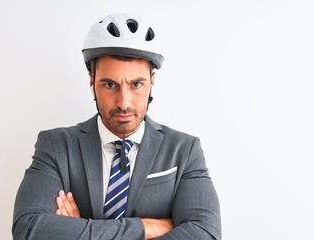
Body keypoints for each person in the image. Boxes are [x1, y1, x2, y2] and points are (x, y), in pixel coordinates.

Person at [12, 12, 221, 240]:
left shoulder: (184, 150)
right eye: (110, 84)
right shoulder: (56, 146)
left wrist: (80, 230)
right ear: (92, 80)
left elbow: (205, 233)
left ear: (152, 81)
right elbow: (28, 229)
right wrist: (145, 228)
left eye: (136, 84)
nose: (123, 103)